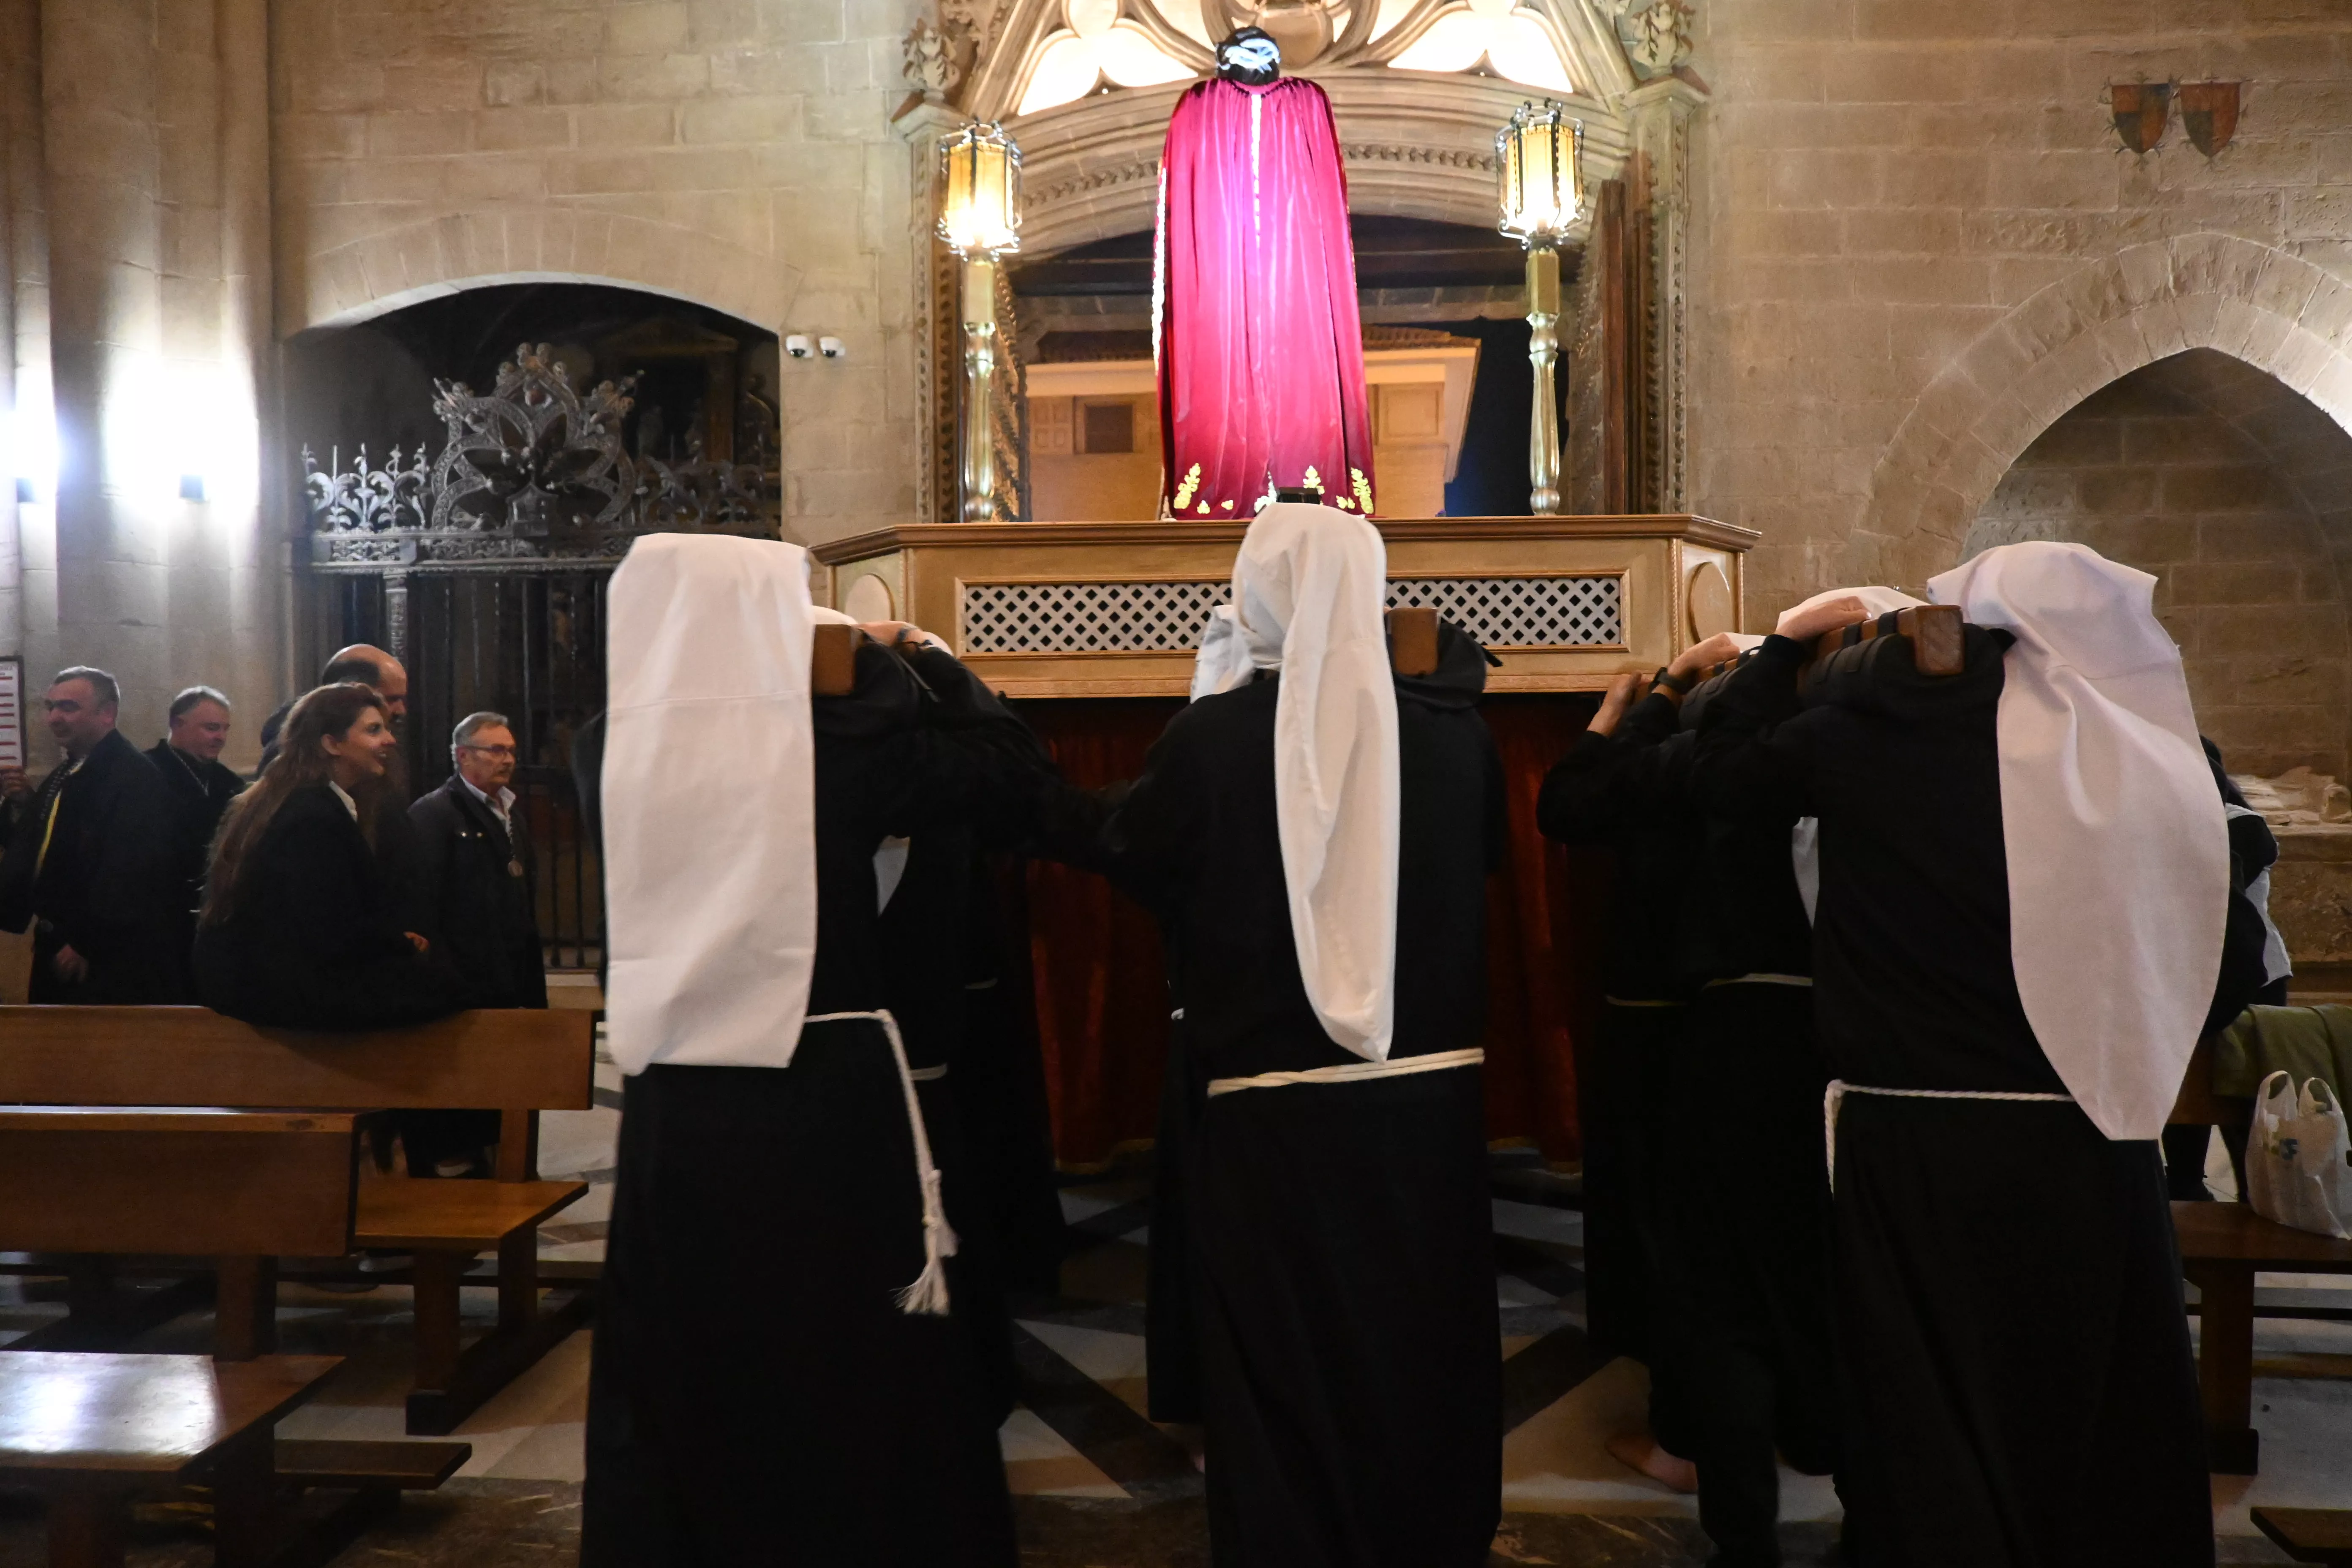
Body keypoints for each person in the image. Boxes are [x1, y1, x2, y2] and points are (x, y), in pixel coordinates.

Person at [1690, 542, 2256, 1568]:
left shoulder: (1873, 736)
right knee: (2092, 1408)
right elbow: (2231, 954)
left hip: (1917, 1137)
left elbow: (1711, 776)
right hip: (2093, 1136)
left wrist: (1777, 649)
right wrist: (2128, 1045)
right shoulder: (2166, 762)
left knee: (1928, 1408)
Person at [580, 534, 1056, 1568]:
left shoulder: (603, 744)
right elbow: (1017, 775)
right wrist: (908, 656)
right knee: (839, 1353)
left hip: (678, 1110)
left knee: (695, 1351)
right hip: (820, 1094)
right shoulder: (834, 745)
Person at [1057, 503, 1504, 1568]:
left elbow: (1128, 844)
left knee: (1282, 1362)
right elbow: (1475, 868)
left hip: (1271, 1116)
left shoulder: (1212, 740)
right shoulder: (1457, 737)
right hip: (1427, 1107)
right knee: (1417, 1337)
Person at [1535, 629, 1748, 1498]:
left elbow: (1566, 800)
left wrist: (1633, 706)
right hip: (1763, 1021)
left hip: (1661, 1020)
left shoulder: (1684, 759)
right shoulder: (1802, 748)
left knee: (1670, 1232)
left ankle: (1686, 1433)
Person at [193, 682, 463, 1031]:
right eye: (373, 730)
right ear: (331, 743)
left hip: (268, 980)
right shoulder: (313, 816)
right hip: (285, 991)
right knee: (455, 988)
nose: (390, 740)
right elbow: (329, 929)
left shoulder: (297, 799)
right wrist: (400, 946)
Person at [404, 710, 547, 1177]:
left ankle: (497, 1164)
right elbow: (425, 900)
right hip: (467, 978)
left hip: (509, 976)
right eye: (495, 750)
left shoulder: (509, 811)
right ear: (462, 755)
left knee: (505, 1086)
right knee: (462, 1097)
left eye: (510, 751)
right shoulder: (435, 814)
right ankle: (458, 1173)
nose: (507, 759)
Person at [0, 667, 180, 1002]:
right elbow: (49, 850)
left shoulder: (133, 776)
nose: (54, 717)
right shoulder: (73, 768)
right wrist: (25, 806)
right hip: (58, 939)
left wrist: (87, 942)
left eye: (68, 707)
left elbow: (130, 869)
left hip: (100, 953)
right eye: (50, 706)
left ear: (107, 714)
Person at [148, 686, 246, 995]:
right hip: (160, 920)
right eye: (211, 727)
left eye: (224, 729)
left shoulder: (230, 784)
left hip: (213, 918)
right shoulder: (144, 774)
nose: (220, 737)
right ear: (177, 724)